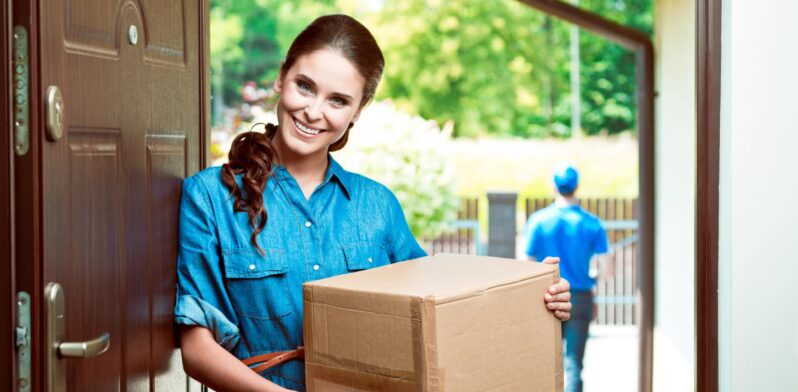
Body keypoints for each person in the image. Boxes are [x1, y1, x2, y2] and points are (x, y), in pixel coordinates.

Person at [175, 14, 573, 392]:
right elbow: (197, 349)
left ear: (357, 112)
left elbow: (441, 318)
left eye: (338, 101)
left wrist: (534, 300)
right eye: (305, 86)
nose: (313, 112)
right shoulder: (209, 197)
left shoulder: (378, 206)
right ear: (281, 78)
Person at [523, 164, 608, 392]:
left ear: (553, 187)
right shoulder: (592, 223)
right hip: (580, 299)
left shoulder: (538, 222)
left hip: (546, 299)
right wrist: (592, 288)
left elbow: (525, 264)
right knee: (573, 365)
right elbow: (605, 268)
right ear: (577, 187)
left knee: (545, 364)